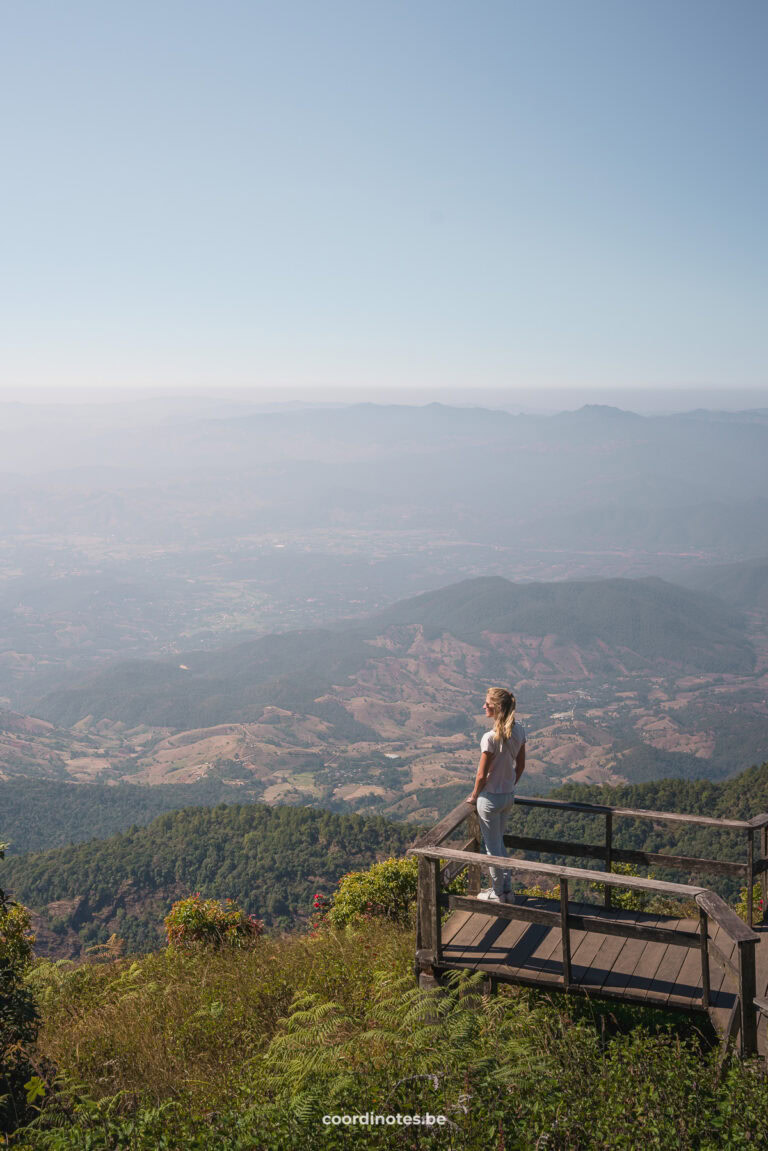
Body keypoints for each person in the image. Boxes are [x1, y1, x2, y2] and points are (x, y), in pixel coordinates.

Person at [466, 686, 526, 902]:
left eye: (487, 704)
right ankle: (507, 890)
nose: (484, 706)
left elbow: (481, 775)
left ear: (497, 707)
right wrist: (509, 784)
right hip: (508, 796)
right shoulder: (519, 731)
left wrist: (473, 796)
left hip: (489, 798)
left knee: (492, 848)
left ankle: (498, 892)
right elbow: (520, 766)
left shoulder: (489, 738)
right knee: (499, 843)